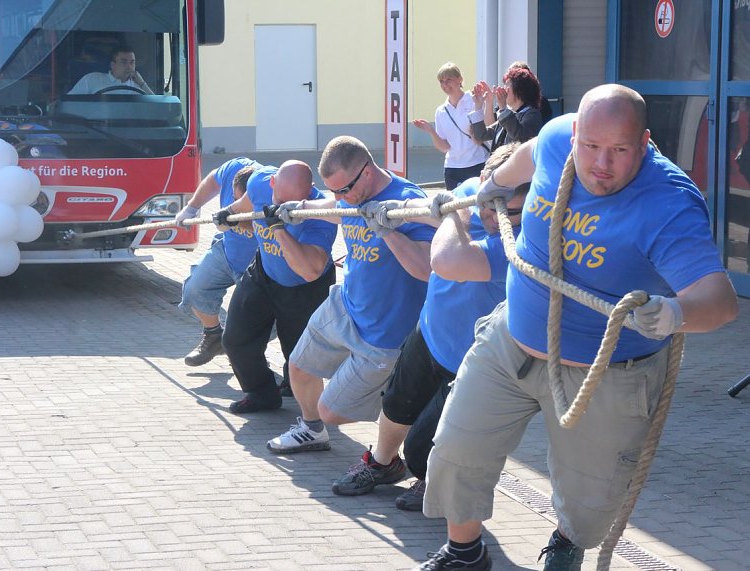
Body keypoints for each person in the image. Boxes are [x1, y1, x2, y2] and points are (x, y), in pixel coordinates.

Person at [418, 84, 738, 571]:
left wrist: (675, 313)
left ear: (645, 141)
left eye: (619, 150)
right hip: (512, 344)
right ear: (575, 136)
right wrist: (493, 183)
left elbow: (720, 300)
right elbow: (529, 151)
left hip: (605, 373)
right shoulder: (556, 138)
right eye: (590, 146)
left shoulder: (669, 202)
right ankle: (465, 551)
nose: (601, 164)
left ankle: (568, 542)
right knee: (456, 451)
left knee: (590, 504)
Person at [328, 144, 527, 509]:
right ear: (485, 181)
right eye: (485, 201)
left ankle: (427, 476)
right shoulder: (471, 191)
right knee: (394, 409)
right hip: (429, 332)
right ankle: (381, 464)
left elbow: (448, 260)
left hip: (468, 358)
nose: (489, 213)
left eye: (505, 210)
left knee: (424, 446)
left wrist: (453, 216)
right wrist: (394, 214)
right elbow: (432, 211)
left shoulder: (523, 244)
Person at [265, 136, 436, 456]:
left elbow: (426, 269)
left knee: (332, 411)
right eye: (333, 190)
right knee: (298, 368)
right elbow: (334, 208)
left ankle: (406, 408)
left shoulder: (406, 201)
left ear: (367, 172)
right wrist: (295, 210)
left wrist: (387, 230)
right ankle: (311, 431)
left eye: (344, 189)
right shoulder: (349, 195)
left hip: (385, 331)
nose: (340, 197)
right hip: (344, 304)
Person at [217, 161, 338, 413]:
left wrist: (279, 229)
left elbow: (310, 269)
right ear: (272, 183)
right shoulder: (260, 181)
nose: (281, 207)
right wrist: (227, 215)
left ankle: (295, 389)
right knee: (235, 339)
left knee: (298, 354)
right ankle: (261, 394)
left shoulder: (322, 215)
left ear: (308, 193)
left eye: (290, 205)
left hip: (305, 286)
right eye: (278, 200)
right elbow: (242, 208)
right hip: (264, 271)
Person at [175, 158, 261, 366]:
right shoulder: (235, 168)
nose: (233, 203)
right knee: (195, 289)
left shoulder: (273, 188)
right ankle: (213, 336)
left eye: (240, 201)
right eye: (233, 196)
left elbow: (269, 230)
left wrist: (234, 219)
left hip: (258, 262)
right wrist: (191, 208)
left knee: (255, 318)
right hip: (226, 250)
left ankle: (246, 351)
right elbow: (213, 179)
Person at [412, 62, 489, 190]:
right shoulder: (441, 111)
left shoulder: (474, 100)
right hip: (453, 168)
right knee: (454, 208)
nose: (445, 85)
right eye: (441, 81)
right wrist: (431, 131)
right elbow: (445, 147)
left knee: (479, 207)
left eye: (449, 80)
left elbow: (487, 129)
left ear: (460, 79)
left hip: (477, 163)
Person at [469, 66, 544, 150]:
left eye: (506, 87)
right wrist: (478, 105)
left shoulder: (531, 114)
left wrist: (504, 109)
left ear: (520, 90)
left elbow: (520, 138)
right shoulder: (507, 114)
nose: (503, 90)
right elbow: (482, 135)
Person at [68, 45, 154, 95]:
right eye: (124, 62)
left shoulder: (138, 87)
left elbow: (156, 108)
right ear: (113, 65)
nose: (129, 67)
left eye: (132, 62)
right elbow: (70, 103)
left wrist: (142, 83)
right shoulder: (91, 79)